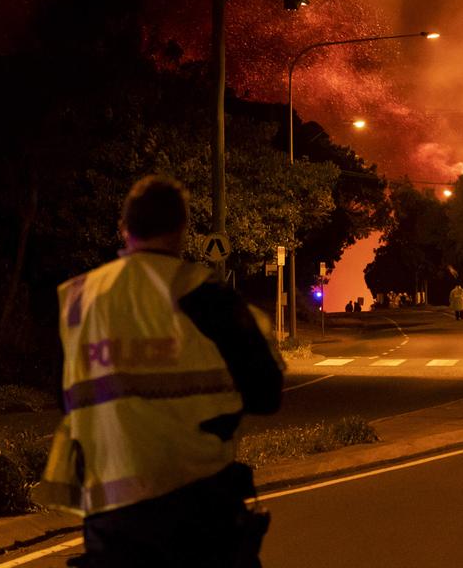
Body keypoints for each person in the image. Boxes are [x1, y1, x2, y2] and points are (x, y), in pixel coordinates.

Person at [40, 175, 284, 568]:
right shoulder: (205, 295)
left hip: (111, 513)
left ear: (125, 229)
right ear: (182, 230)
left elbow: (65, 396)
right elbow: (266, 394)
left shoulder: (79, 298)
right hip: (200, 507)